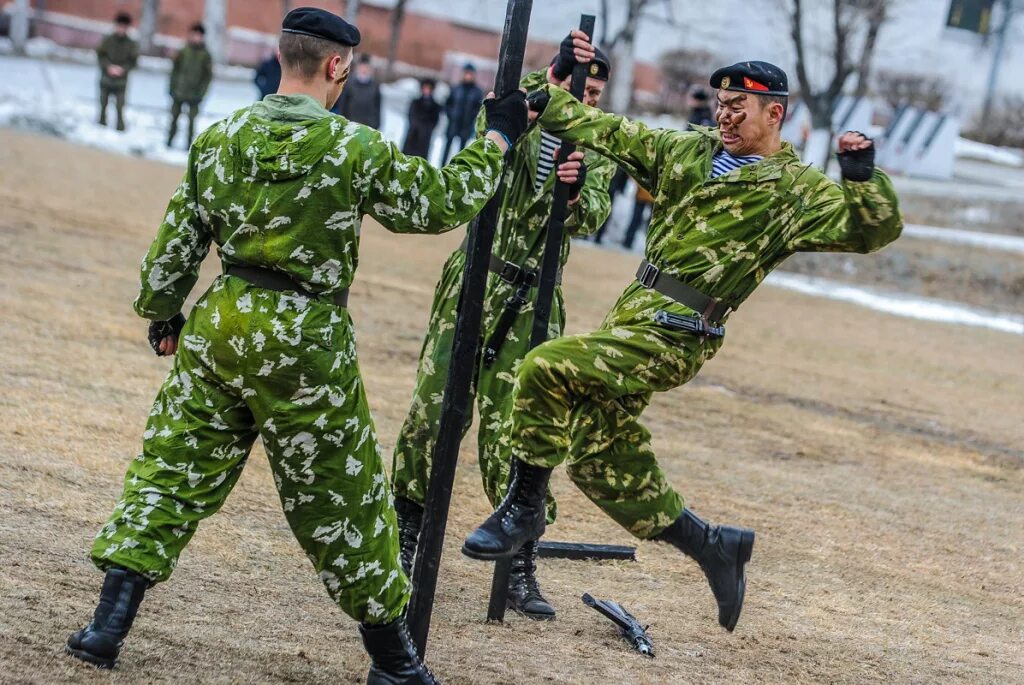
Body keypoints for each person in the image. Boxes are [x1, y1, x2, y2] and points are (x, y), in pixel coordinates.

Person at [64, 7, 527, 683]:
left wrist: (164, 315)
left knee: (171, 473)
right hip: (306, 339)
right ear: (338, 64)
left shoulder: (221, 137)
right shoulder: (351, 146)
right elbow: (440, 202)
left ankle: (106, 627)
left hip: (222, 325)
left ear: (285, 56)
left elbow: (174, 248)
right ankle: (395, 662)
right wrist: (498, 138)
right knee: (345, 498)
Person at [461, 34, 903, 635]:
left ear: (776, 113)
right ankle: (713, 546)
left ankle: (523, 507)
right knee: (598, 461)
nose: (724, 118)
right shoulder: (687, 153)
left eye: (738, 110)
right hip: (633, 314)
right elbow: (600, 127)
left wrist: (861, 177)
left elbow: (870, 232)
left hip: (680, 329)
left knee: (544, 366)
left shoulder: (795, 192)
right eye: (720, 106)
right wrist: (556, 76)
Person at [391, 35, 615, 621]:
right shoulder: (519, 114)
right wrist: (556, 72)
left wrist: (574, 189)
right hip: (474, 280)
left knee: (518, 430)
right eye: (580, 87)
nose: (587, 101)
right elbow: (502, 116)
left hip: (533, 300)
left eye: (596, 94)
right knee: (431, 415)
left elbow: (592, 214)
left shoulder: (596, 144)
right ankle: (404, 542)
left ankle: (518, 563)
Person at [167, 23, 213, 148]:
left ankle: (189, 145)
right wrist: (172, 88)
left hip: (195, 94)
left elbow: (207, 77)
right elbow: (174, 71)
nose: (196, 38)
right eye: (195, 35)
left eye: (199, 35)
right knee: (174, 118)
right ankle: (169, 141)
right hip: (179, 91)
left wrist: (201, 93)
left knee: (192, 121)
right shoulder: (183, 51)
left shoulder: (205, 55)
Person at [96, 12, 138, 131]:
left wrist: (123, 69)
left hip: (121, 82)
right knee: (103, 105)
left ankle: (120, 129)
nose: (121, 29)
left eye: (124, 27)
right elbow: (100, 56)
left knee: (120, 107)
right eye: (120, 26)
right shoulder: (108, 40)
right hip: (106, 79)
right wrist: (108, 66)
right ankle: (101, 126)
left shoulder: (131, 44)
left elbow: (133, 61)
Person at [440, 63, 485, 164]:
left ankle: (457, 168)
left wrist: (472, 118)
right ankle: (442, 166)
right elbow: (448, 103)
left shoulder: (477, 91)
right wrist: (451, 114)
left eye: (470, 74)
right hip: (453, 123)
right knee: (447, 147)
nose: (468, 76)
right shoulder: (456, 88)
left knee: (462, 150)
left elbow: (479, 108)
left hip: (466, 125)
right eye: (466, 73)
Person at [332, 53, 381, 128]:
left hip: (368, 126)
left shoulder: (375, 86)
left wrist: (376, 124)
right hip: (351, 124)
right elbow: (343, 104)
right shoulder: (349, 83)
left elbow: (377, 107)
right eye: (362, 67)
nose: (364, 70)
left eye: (366, 67)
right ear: (358, 68)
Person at [402, 78, 442, 158]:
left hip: (424, 138)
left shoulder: (435, 106)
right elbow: (411, 116)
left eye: (428, 88)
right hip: (413, 134)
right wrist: (416, 126)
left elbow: (435, 121)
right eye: (425, 88)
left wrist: (426, 129)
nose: (426, 90)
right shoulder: (415, 102)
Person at [592, 165, 628, 245]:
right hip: (602, 188)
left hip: (611, 190)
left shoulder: (620, 161)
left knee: (605, 212)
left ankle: (599, 236)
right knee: (595, 208)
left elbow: (624, 174)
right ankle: (589, 235)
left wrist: (622, 188)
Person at [621, 182, 654, 251]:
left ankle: (628, 241)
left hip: (644, 192)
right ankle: (650, 246)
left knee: (636, 219)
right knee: (650, 222)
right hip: (650, 195)